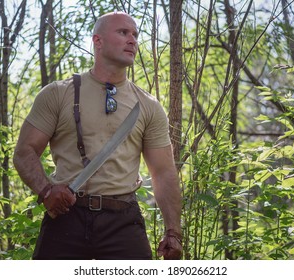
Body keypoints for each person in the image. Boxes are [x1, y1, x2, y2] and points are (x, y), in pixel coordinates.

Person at [13, 11, 182, 260]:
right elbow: (24, 151)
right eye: (123, 32)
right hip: (66, 217)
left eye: (135, 34)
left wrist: (173, 232)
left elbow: (163, 172)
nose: (132, 40)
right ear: (98, 41)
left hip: (123, 221)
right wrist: (46, 191)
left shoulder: (147, 105)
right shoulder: (58, 94)